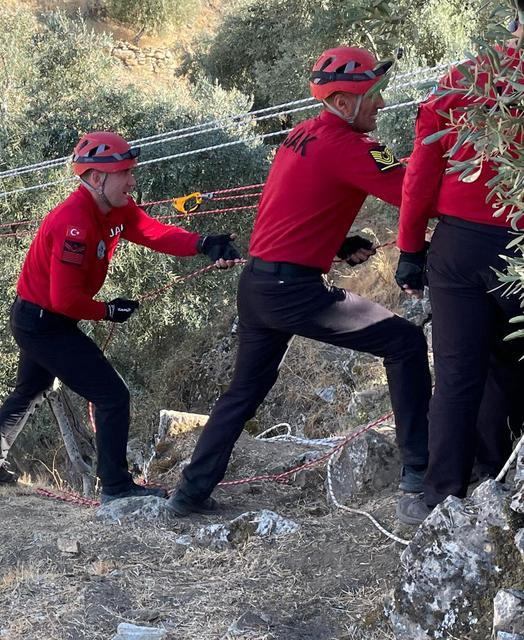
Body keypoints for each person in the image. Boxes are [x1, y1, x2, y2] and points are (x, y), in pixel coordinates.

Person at [166, 47, 432, 516]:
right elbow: (416, 193)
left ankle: (188, 495)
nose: (382, 104)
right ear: (344, 102)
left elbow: (290, 203)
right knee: (406, 343)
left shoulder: (301, 134)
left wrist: (336, 240)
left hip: (258, 284)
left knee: (242, 395)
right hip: (296, 291)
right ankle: (419, 473)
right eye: (375, 94)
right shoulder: (354, 147)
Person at [0, 131, 241, 503]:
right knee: (112, 396)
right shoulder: (74, 223)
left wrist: (203, 243)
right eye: (125, 172)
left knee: (30, 390)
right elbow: (65, 300)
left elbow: (153, 232)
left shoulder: (116, 209)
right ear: (97, 178)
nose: (132, 180)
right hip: (43, 322)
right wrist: (109, 311)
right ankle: (115, 488)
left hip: (43, 317)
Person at [394, 20, 524, 525]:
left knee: (455, 374)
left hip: (459, 245)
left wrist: (409, 248)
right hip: (516, 248)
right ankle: (493, 474)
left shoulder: (463, 79)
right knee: (511, 365)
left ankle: (438, 494)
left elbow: (421, 171)